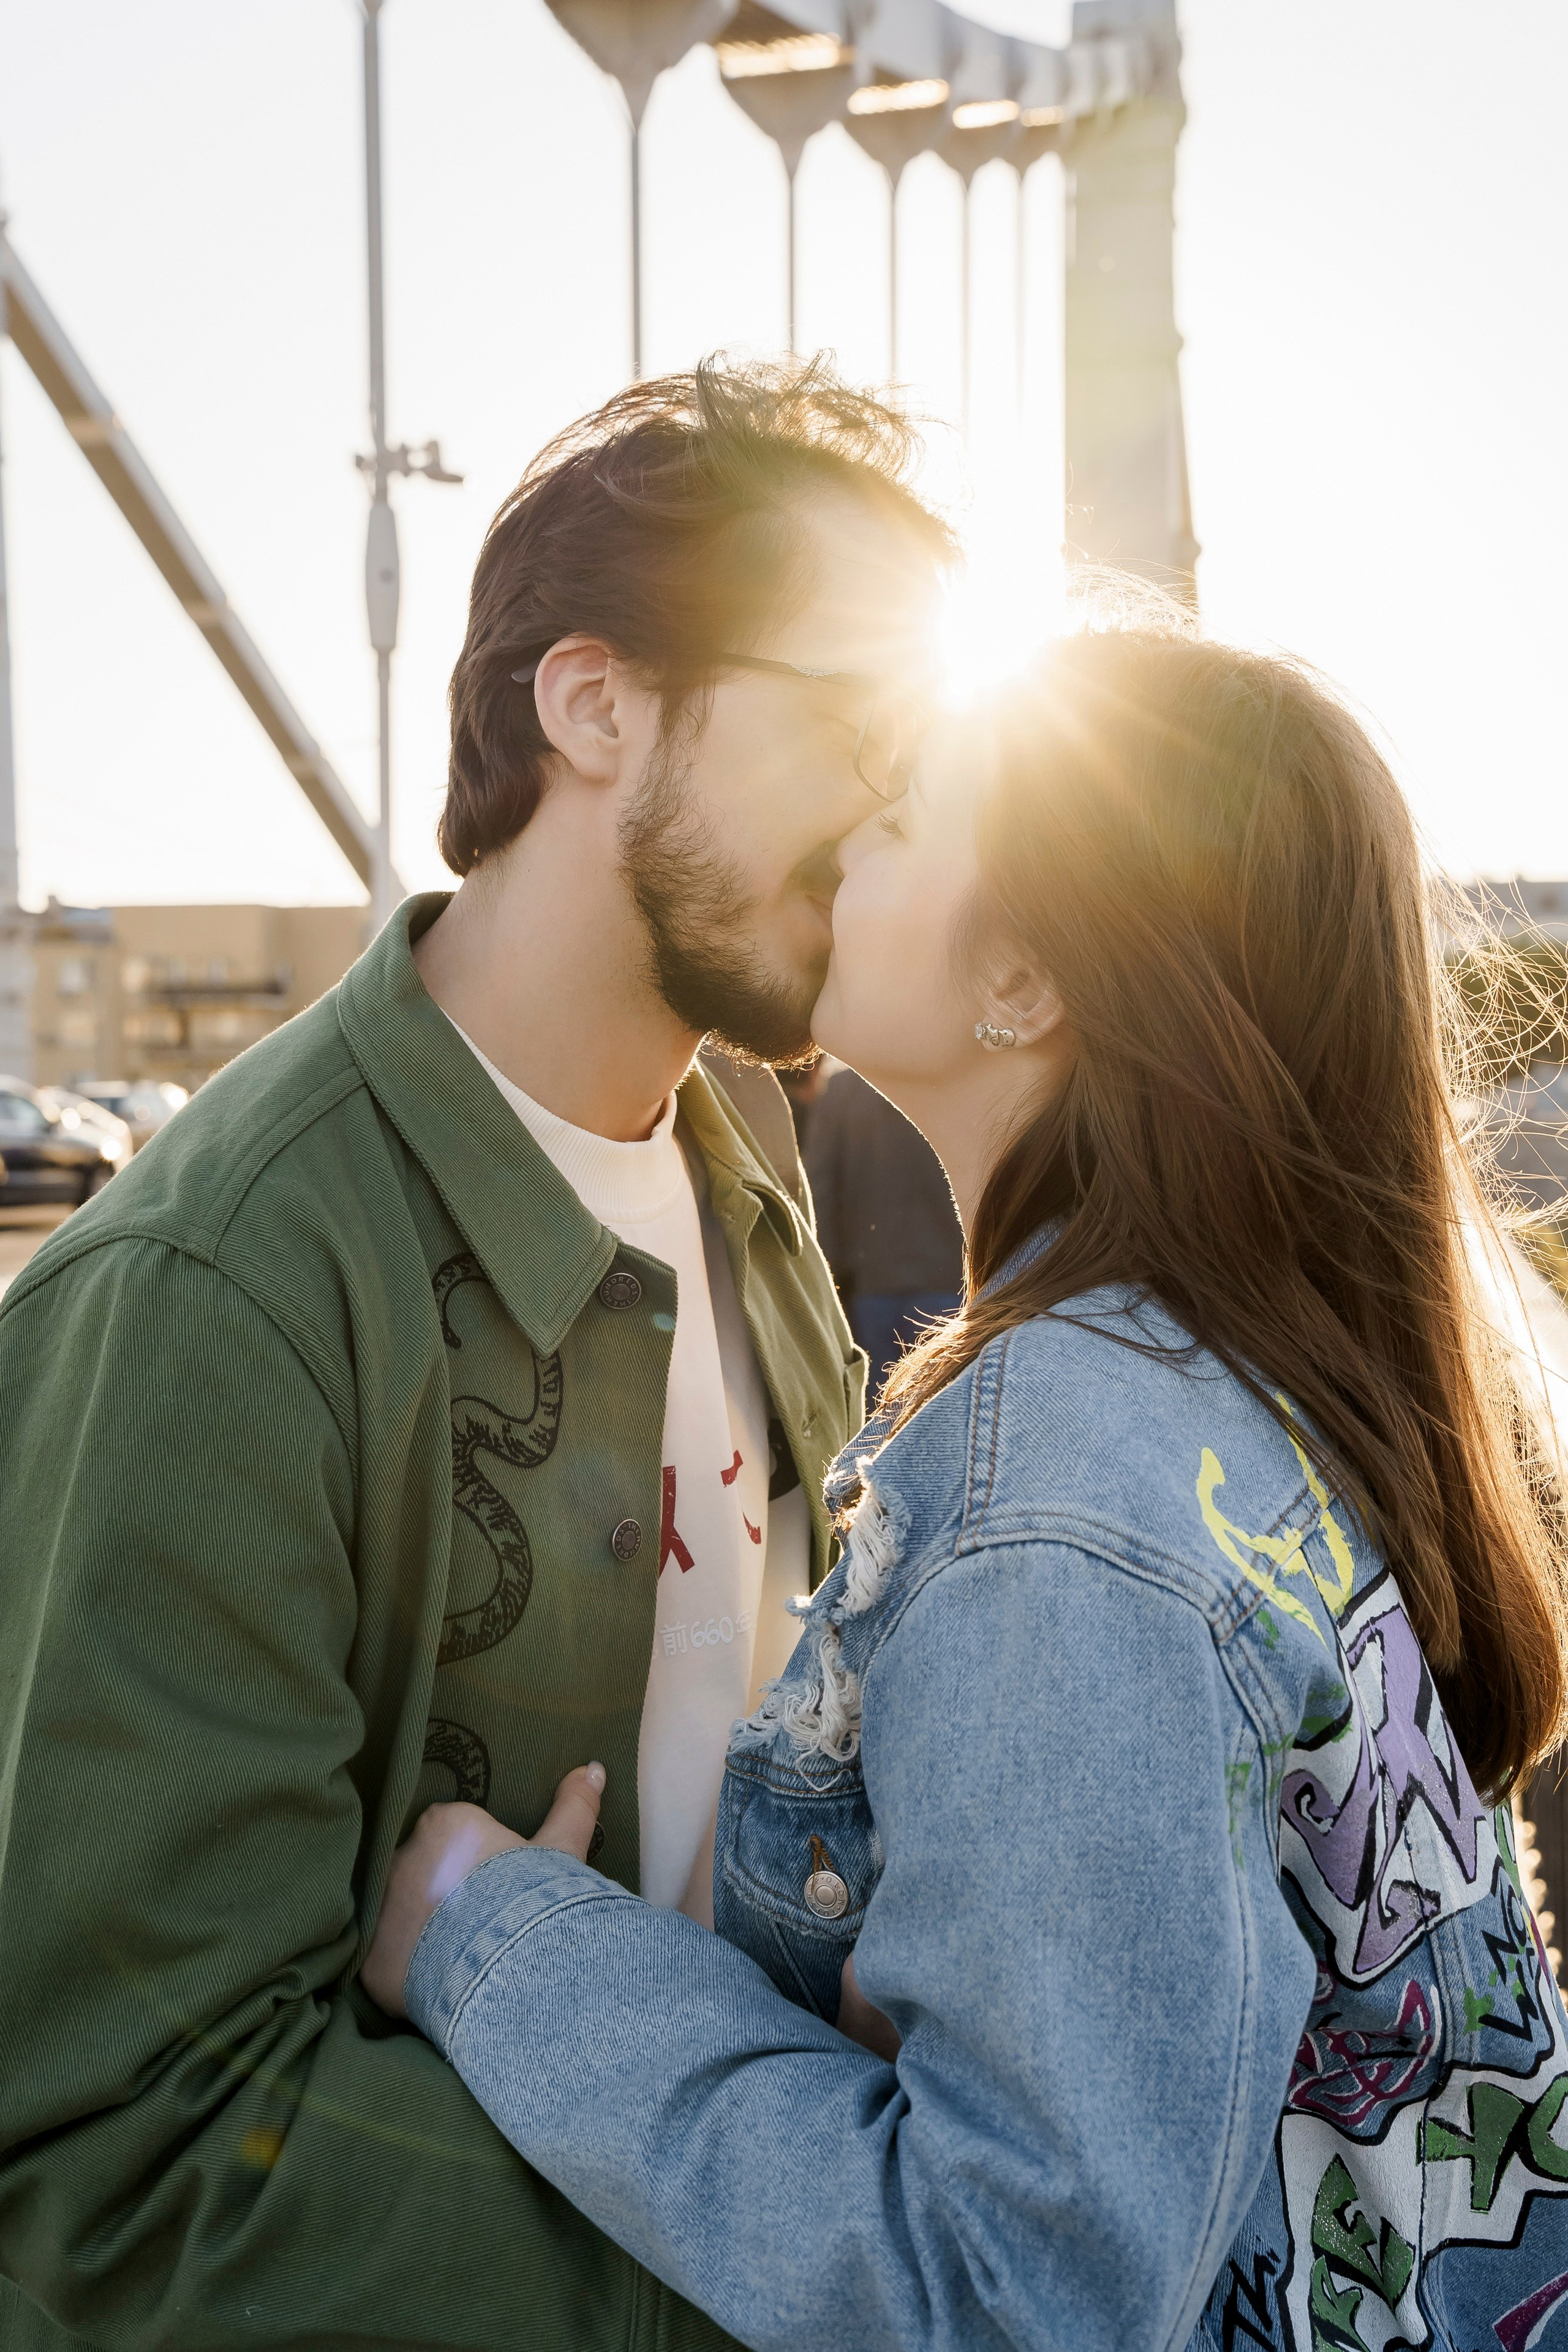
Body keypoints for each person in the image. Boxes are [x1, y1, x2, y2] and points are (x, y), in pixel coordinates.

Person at [364, 625, 1568, 2352]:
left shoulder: (1060, 1495)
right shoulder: (1249, 1385)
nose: (846, 841)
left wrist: (501, 1945)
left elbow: (1015, 2299)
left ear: (1026, 976)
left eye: (905, 823)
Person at [0, 358, 953, 2351]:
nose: (902, 810)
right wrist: (821, 2269)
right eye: (855, 720)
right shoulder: (218, 1302)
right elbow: (122, 2177)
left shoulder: (742, 1174)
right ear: (596, 705)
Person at [805, 1062, 963, 1397]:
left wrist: (830, 1275)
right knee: (945, 1410)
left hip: (872, 1279)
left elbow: (819, 1187)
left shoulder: (844, 1090)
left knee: (880, 1417)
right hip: (951, 1277)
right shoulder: (955, 1079)